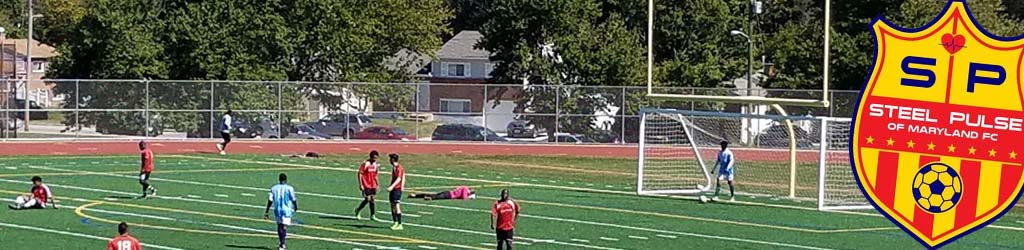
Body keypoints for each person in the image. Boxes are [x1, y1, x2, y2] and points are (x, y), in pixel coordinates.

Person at [264, 173, 297, 250]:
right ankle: (282, 244)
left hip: (278, 209)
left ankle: (281, 243)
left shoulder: (274, 188)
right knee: (284, 226)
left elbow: (270, 200)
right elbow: (293, 199)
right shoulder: (290, 188)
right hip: (287, 210)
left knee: (279, 226)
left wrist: (267, 210)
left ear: (279, 179)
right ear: (286, 180)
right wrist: (295, 206)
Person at [354, 150, 380, 221]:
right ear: (371, 157)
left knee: (372, 200)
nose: (375, 159)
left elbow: (376, 175)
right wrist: (361, 184)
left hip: (373, 185)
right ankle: (358, 210)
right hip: (366, 184)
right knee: (367, 199)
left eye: (376, 158)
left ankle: (372, 215)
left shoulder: (375, 164)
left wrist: (377, 184)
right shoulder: (366, 164)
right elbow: (360, 174)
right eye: (374, 158)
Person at [385, 153, 405, 230]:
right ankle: (395, 222)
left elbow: (399, 178)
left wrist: (392, 187)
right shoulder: (394, 167)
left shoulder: (399, 168)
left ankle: (400, 224)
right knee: (392, 206)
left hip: (396, 189)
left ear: (393, 159)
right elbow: (404, 176)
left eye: (390, 159)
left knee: (397, 206)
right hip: (394, 189)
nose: (389, 160)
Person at [409, 186, 477, 201]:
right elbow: (464, 198)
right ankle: (430, 198)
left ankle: (416, 195)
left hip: (448, 192)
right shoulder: (466, 189)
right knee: (438, 197)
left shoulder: (465, 188)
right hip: (449, 195)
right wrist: (469, 198)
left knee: (434, 195)